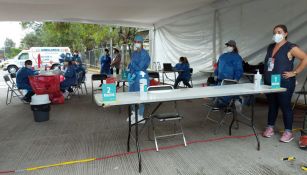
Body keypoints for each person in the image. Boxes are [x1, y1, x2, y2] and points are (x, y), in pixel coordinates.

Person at [262, 24, 307, 143]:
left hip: (284, 82)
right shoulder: (270, 47)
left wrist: (294, 72)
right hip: (271, 82)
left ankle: (288, 131)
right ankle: (270, 127)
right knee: (272, 105)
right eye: (275, 32)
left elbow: (305, 58)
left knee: (285, 106)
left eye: (279, 32)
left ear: (286, 34)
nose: (277, 34)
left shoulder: (290, 47)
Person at [127, 35, 150, 124]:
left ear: (142, 43)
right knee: (131, 96)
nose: (136, 43)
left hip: (142, 77)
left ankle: (140, 115)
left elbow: (141, 67)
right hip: (133, 78)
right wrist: (129, 73)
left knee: (141, 97)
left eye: (138, 42)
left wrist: (132, 64)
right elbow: (131, 65)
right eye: (135, 41)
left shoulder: (145, 54)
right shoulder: (134, 53)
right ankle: (134, 113)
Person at [213, 40, 243, 107]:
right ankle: (234, 101)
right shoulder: (222, 56)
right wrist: (215, 74)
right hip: (220, 80)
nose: (228, 47)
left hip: (229, 81)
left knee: (223, 99)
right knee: (218, 98)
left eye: (230, 46)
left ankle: (236, 101)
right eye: (228, 45)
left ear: (233, 47)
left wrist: (236, 78)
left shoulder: (237, 57)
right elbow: (217, 66)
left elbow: (239, 69)